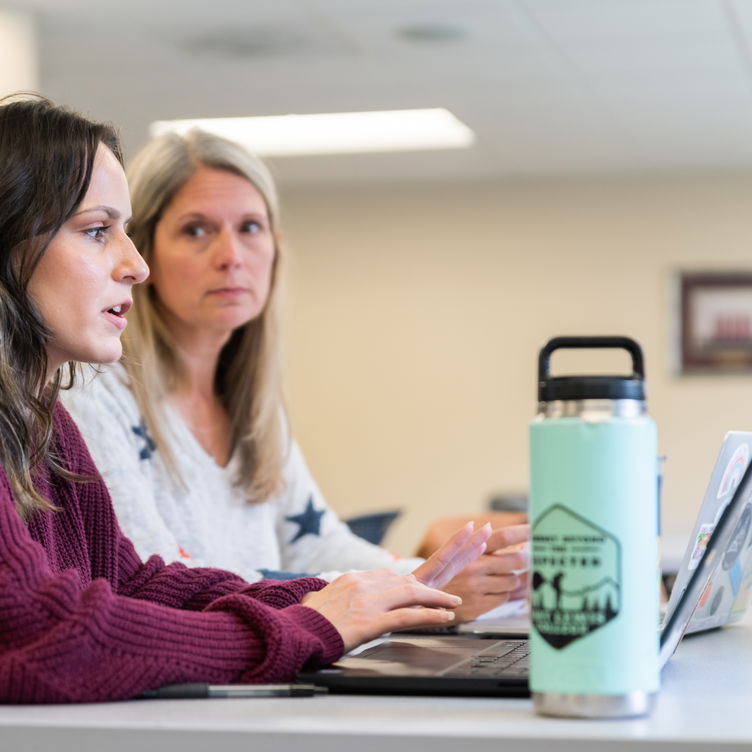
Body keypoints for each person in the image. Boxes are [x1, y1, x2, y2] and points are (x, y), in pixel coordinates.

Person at [0, 93, 494, 703]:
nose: (136, 266)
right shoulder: (81, 402)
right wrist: (313, 622)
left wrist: (367, 593)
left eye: (123, 232)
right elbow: (40, 631)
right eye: (99, 231)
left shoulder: (41, 420)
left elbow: (132, 583)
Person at [62, 127, 529, 622]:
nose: (231, 256)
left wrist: (446, 575)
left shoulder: (255, 410)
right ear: (144, 252)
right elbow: (155, 583)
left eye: (250, 228)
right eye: (196, 230)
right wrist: (409, 587)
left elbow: (317, 547)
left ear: (275, 248)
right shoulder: (90, 391)